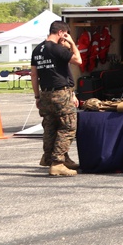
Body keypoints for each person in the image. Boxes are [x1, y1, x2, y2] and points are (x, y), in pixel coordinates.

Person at [31, 20, 83, 177]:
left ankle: (50, 158)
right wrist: (72, 43)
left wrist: (37, 96)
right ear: (61, 33)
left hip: (45, 93)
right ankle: (58, 163)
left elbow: (34, 74)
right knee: (68, 126)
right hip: (60, 93)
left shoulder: (37, 49)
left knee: (50, 126)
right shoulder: (56, 48)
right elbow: (78, 60)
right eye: (65, 35)